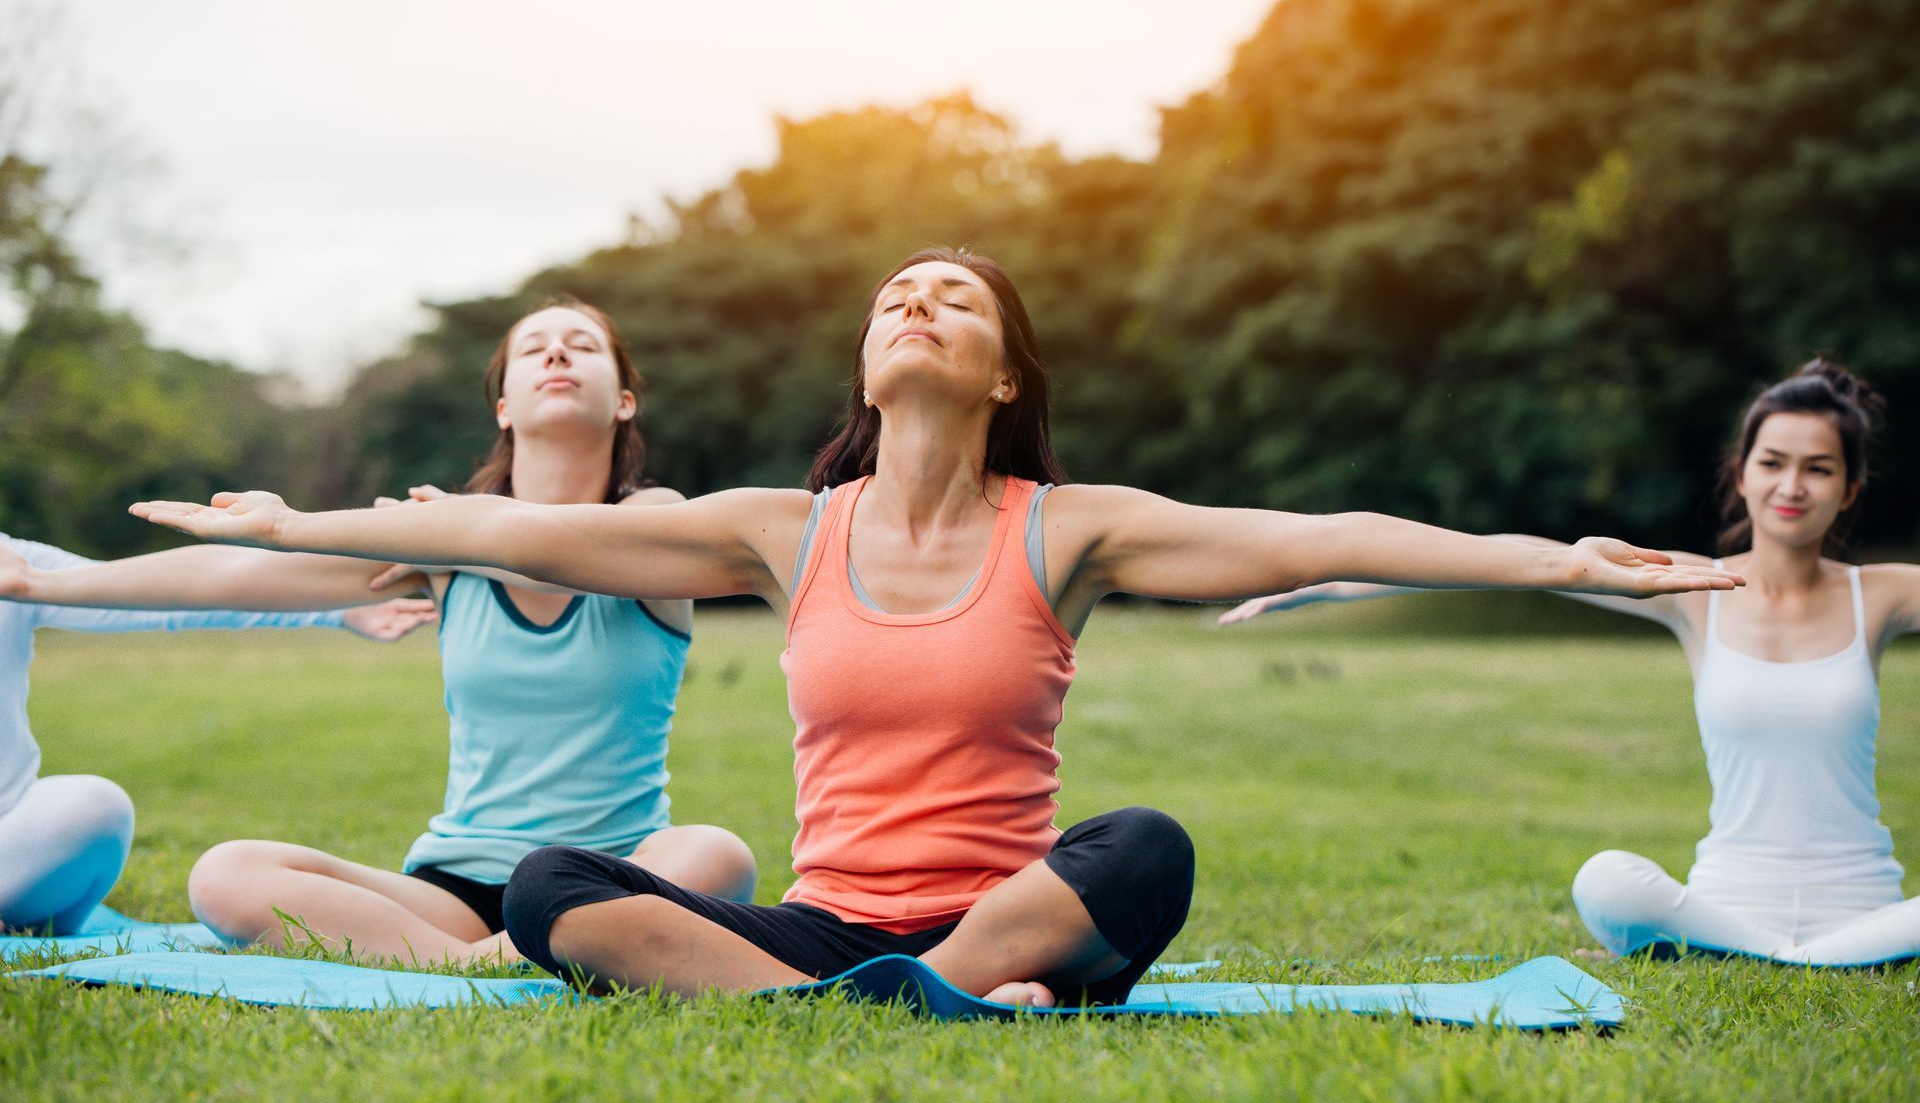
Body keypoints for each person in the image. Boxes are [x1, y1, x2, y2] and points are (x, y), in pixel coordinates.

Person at [128, 248, 1738, 1005]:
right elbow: (499, 524)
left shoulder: (1073, 527)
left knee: (1149, 847)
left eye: (953, 300)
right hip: (833, 926)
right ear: (864, 364)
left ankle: (958, 981)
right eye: (894, 297)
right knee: (556, 890)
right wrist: (298, 522)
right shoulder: (780, 531)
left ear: (1004, 373)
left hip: (1015, 903)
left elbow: (1325, 535)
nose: (916, 308)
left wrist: (1564, 563)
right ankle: (889, 1004)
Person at [4, 297, 753, 962]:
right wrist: (44, 583)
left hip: (609, 875)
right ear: (503, 408)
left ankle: (499, 952)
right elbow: (239, 577)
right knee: (227, 873)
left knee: (716, 855)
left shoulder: (657, 522)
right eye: (534, 348)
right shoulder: (441, 544)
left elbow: (553, 556)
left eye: (583, 345)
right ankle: (488, 961)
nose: (557, 353)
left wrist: (449, 529)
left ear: (623, 402)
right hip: (456, 891)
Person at [1222, 359, 1920, 966]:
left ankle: (1800, 955)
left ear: (1850, 488)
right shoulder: (1687, 585)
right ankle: (1808, 959)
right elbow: (1507, 555)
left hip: (1866, 907)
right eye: (1773, 463)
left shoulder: (1882, 594)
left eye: (1818, 468)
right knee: (1605, 879)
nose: (1792, 485)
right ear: (1742, 474)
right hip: (1725, 903)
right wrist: (1329, 582)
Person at [0, 529, 430, 936]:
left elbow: (165, 594)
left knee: (96, 806)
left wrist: (336, 606)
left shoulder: (14, 561)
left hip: (12, 839)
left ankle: (24, 915)